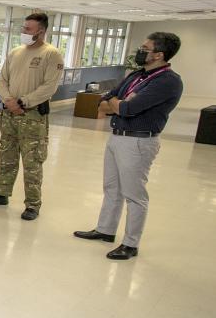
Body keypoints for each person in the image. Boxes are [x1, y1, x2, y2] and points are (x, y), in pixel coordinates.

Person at [74, 33, 183, 260]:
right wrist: (120, 103)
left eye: (145, 48)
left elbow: (129, 109)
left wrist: (120, 104)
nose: (139, 51)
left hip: (139, 141)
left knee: (134, 194)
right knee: (111, 188)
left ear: (159, 54)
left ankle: (130, 243)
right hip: (117, 136)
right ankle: (105, 230)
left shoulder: (168, 81)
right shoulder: (136, 76)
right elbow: (103, 102)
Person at [0, 12, 63, 220]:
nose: (23, 31)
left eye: (28, 29)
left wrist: (22, 102)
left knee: (32, 161)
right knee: (6, 156)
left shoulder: (51, 54)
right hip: (8, 114)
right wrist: (9, 100)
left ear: (41, 32)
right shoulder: (15, 52)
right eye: (23, 27)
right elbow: (2, 80)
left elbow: (49, 87)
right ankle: (1, 194)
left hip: (32, 115)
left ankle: (33, 204)